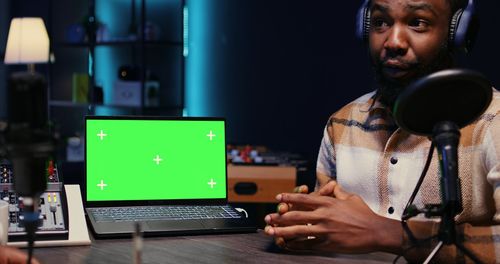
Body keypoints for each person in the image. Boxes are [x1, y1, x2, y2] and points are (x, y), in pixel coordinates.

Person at [264, 0, 500, 263]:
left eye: (417, 22)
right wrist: (303, 227)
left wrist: (388, 233)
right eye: (381, 22)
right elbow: (325, 239)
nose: (393, 42)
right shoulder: (342, 123)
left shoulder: (494, 121)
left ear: (457, 32)